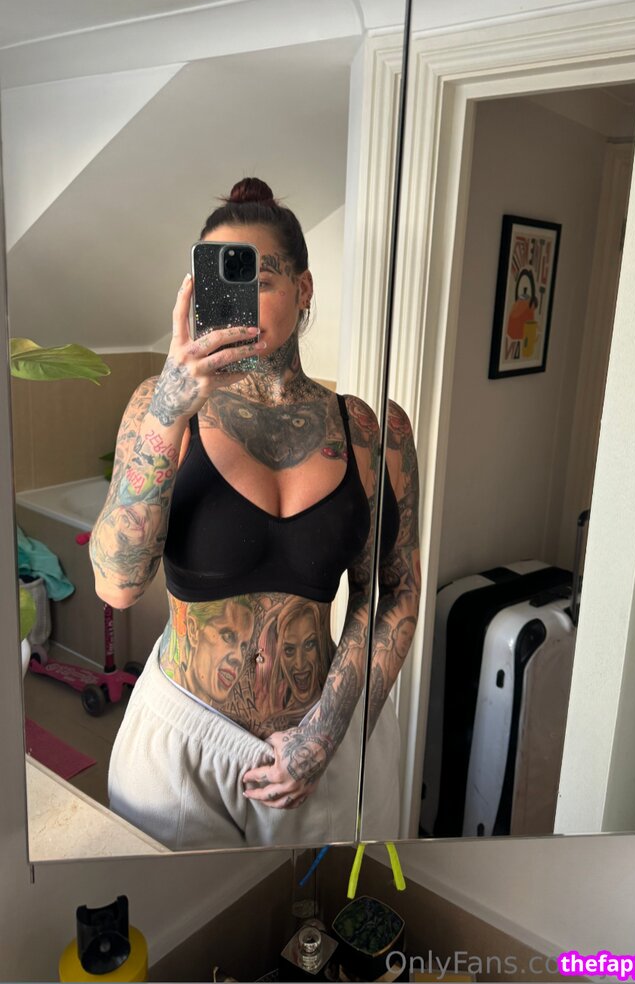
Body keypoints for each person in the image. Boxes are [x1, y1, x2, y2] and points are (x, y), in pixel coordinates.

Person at [90, 177, 417, 850]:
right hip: (180, 748)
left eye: (260, 280)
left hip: (319, 744)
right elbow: (117, 585)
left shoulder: (370, 431)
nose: (239, 302)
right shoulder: (159, 405)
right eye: (223, 282)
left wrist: (328, 730)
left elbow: (393, 591)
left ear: (304, 288)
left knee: (322, 912)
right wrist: (169, 411)